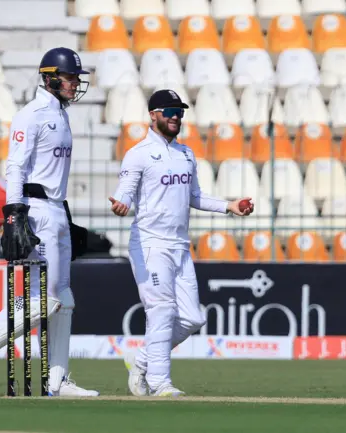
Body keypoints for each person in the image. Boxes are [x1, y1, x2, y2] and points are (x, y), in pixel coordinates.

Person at [0, 47, 99, 397]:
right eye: (69, 78)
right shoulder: (30, 115)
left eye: (76, 78)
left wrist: (66, 217)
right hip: (35, 209)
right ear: (49, 78)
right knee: (48, 300)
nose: (74, 84)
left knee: (65, 298)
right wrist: (14, 215)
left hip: (56, 209)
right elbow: (16, 167)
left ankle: (57, 380)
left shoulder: (61, 115)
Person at [109, 89, 254, 397]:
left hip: (179, 246)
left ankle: (142, 358)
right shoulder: (138, 154)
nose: (176, 117)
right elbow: (124, 191)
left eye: (180, 112)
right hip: (150, 244)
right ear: (153, 115)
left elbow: (196, 197)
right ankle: (160, 383)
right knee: (161, 311)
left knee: (192, 318)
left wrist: (230, 206)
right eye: (170, 111)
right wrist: (121, 204)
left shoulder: (186, 154)